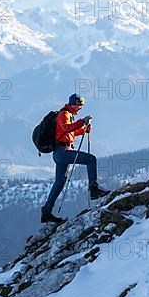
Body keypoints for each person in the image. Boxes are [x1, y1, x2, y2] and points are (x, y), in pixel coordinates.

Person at [41, 94, 110, 223]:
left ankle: (47, 212)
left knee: (60, 182)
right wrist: (82, 122)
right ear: (73, 103)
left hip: (61, 153)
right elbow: (67, 128)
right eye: (79, 105)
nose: (80, 108)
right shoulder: (64, 114)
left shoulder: (67, 115)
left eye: (81, 105)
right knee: (91, 159)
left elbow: (69, 132)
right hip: (62, 152)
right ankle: (93, 189)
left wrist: (84, 129)